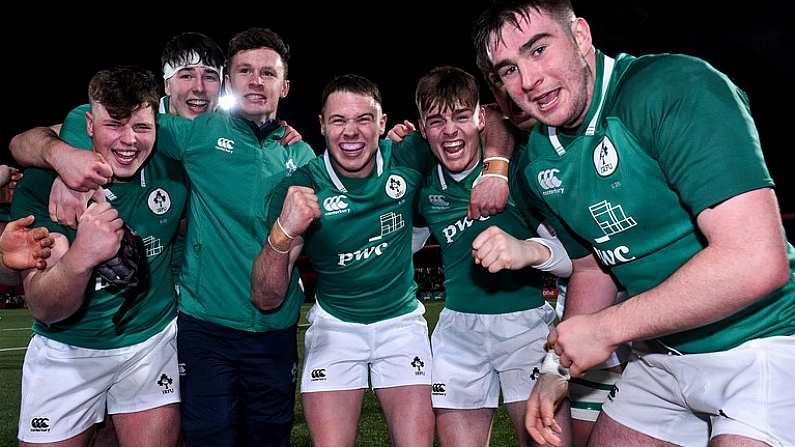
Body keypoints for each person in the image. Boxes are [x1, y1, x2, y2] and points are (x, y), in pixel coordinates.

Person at [473, 1, 795, 446]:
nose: (528, 81)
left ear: (580, 35)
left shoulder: (674, 87)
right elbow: (592, 268)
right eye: (508, 69)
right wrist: (555, 369)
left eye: (539, 49)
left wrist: (606, 330)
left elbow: (757, 259)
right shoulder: (539, 160)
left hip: (760, 343)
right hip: (661, 353)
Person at [9, 28, 315, 447]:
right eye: (187, 75)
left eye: (210, 74)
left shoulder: (283, 151)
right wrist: (63, 157)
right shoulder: (158, 135)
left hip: (185, 336)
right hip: (131, 335)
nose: (200, 87)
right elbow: (51, 132)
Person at [252, 73, 437, 446]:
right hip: (336, 326)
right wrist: (282, 233)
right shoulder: (300, 187)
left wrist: (496, 166)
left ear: (383, 123)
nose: (350, 132)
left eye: (363, 119)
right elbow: (266, 298)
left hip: (401, 324)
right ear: (322, 125)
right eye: (338, 120)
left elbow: (490, 119)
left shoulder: (408, 154)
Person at [11, 66, 187, 447]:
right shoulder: (42, 184)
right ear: (88, 124)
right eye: (114, 125)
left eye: (141, 127)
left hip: (149, 343)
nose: (128, 141)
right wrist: (81, 257)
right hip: (68, 349)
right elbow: (45, 308)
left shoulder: (171, 169)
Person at [410, 65, 574, 446]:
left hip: (527, 329)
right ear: (422, 128)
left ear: (481, 117)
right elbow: (406, 247)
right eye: (436, 121)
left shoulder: (518, 172)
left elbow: (572, 261)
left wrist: (526, 251)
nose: (450, 130)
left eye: (461, 117)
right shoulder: (422, 187)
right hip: (457, 333)